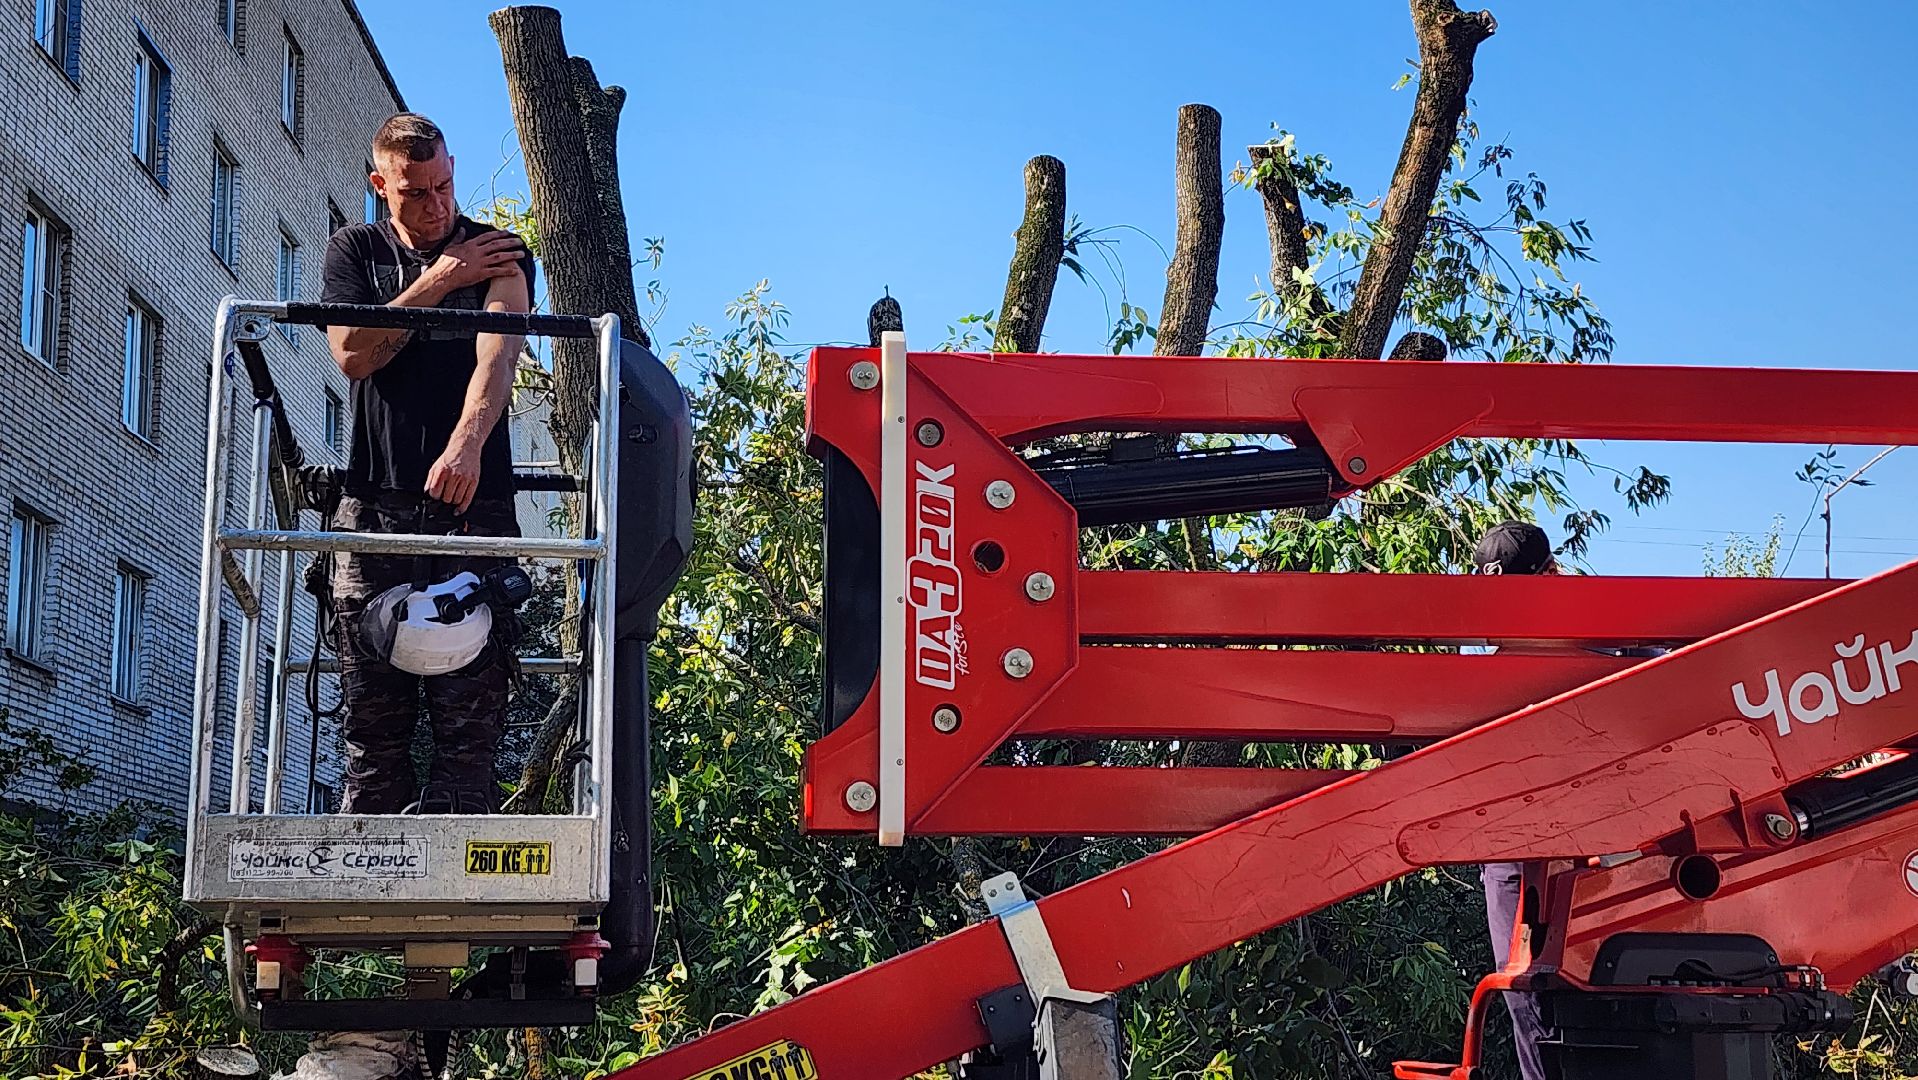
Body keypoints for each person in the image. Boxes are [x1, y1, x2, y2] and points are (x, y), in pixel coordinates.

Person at [318, 112, 533, 815]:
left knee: (472, 716)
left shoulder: (500, 251)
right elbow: (351, 354)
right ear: (382, 184)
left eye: (444, 185)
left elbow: (500, 352)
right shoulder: (354, 250)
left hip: (475, 506)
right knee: (370, 718)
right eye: (417, 192)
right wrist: (437, 282)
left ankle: (463, 871)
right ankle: (367, 870)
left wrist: (468, 441)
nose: (438, 204)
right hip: (374, 501)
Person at [1468, 520, 1557, 1080]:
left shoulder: (1611, 647)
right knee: (1527, 993)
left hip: (1588, 846)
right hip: (1512, 852)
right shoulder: (1482, 679)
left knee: (1566, 990)